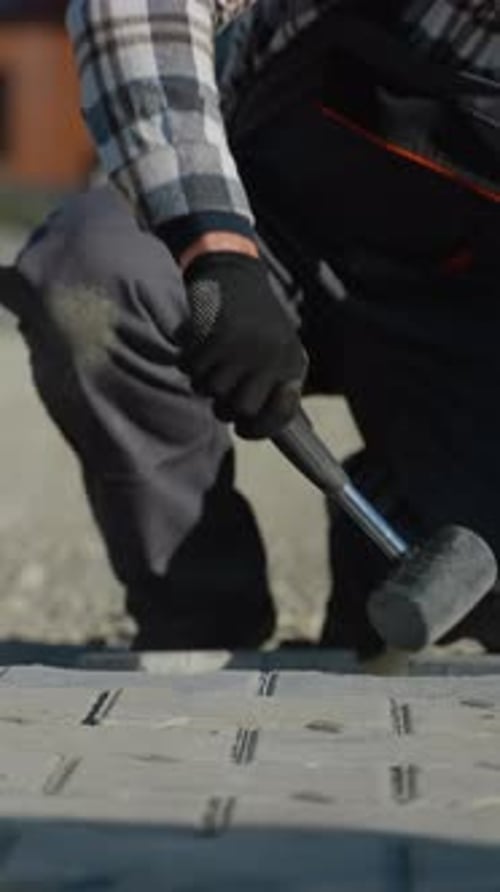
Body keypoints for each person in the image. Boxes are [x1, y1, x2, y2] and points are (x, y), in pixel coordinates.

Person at [8, 0, 500, 653]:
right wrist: (217, 256)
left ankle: (390, 526)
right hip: (264, 236)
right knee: (92, 277)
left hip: (463, 326)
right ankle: (199, 626)